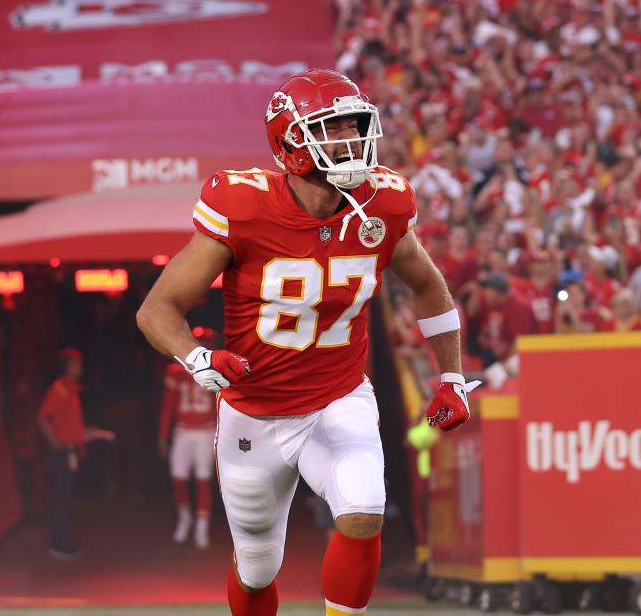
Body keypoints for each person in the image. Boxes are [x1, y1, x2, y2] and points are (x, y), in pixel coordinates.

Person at [136, 69, 474, 616]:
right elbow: (157, 310)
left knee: (364, 509)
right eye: (332, 127)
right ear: (290, 142)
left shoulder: (383, 204)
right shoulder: (243, 205)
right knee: (256, 569)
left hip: (337, 397)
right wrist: (197, 358)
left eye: (354, 125)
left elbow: (429, 286)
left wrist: (452, 377)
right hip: (254, 412)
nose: (350, 140)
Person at [37, 349, 115, 560]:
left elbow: (73, 428)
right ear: (67, 366)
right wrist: (54, 441)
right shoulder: (59, 390)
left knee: (65, 499)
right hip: (61, 455)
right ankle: (59, 544)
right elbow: (43, 416)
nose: (79, 368)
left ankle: (61, 542)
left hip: (69, 452)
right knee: (62, 500)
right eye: (76, 363)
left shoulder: (71, 392)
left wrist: (97, 433)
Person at [159, 357, 216, 548]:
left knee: (203, 479)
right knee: (178, 478)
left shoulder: (213, 368)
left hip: (206, 431)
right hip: (183, 430)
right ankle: (185, 517)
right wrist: (162, 435)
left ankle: (202, 526)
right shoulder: (175, 371)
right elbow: (168, 406)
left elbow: (222, 404)